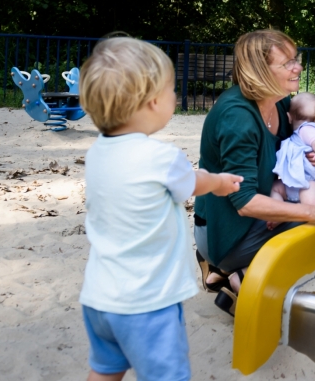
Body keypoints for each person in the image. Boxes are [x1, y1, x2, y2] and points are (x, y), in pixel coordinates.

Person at [77, 37, 243, 381]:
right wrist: (220, 182)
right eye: (171, 90)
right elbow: (195, 182)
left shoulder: (97, 153)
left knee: (105, 370)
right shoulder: (161, 157)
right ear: (153, 102)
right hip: (147, 304)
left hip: (99, 297)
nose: (175, 97)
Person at [193, 30, 315, 316]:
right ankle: (239, 274)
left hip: (247, 219)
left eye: (296, 60)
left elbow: (310, 134)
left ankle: (229, 271)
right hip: (227, 231)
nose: (298, 67)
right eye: (287, 64)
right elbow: (244, 202)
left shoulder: (278, 104)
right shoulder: (238, 118)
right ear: (258, 71)